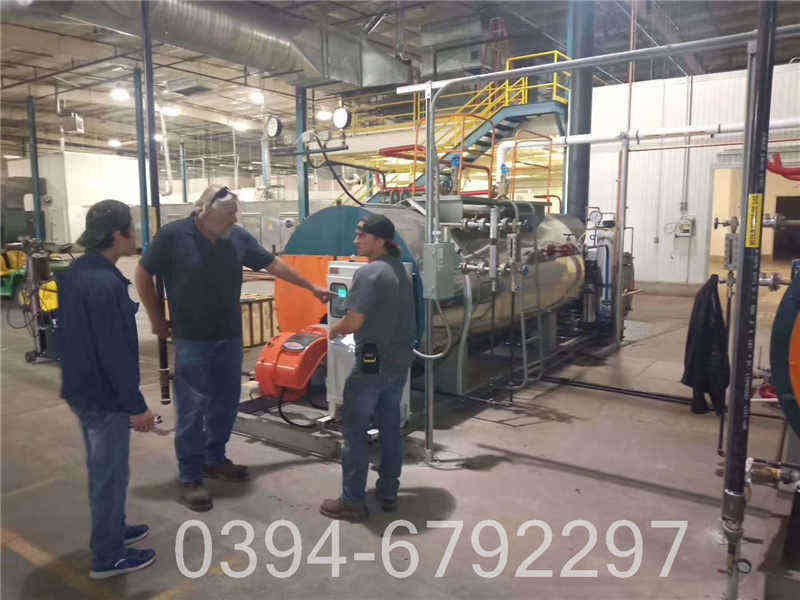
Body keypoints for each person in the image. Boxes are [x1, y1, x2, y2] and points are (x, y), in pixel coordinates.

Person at [135, 185, 329, 512]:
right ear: (205, 211)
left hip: (229, 336)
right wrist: (156, 319)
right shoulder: (174, 235)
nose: (235, 218)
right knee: (192, 409)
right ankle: (190, 476)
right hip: (192, 338)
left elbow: (273, 265)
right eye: (229, 212)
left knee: (225, 404)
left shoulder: (236, 236)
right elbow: (143, 273)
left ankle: (214, 459)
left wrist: (311, 287)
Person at [57, 200, 156, 579]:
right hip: (104, 397)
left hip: (82, 390)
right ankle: (108, 556)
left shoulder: (79, 271)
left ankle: (113, 529)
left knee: (105, 470)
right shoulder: (104, 283)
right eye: (132, 227)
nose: (136, 234)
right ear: (118, 234)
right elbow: (114, 353)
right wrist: (136, 406)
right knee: (109, 475)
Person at [320, 214, 416, 520]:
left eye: (362, 235)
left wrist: (335, 330)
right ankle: (388, 491)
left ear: (380, 241)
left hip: (372, 364)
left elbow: (354, 321)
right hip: (398, 362)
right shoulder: (400, 270)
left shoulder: (369, 273)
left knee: (354, 430)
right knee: (390, 428)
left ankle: (352, 501)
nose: (356, 240)